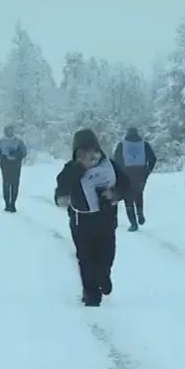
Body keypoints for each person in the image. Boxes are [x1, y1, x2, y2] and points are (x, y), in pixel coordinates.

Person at [54, 128, 130, 306]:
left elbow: (126, 185)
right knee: (85, 259)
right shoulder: (70, 169)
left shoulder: (110, 166)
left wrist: (114, 194)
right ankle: (91, 295)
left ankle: (104, 276)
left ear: (97, 149)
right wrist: (79, 169)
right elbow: (61, 190)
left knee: (106, 255)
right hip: (81, 222)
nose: (87, 155)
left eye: (90, 150)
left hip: (106, 220)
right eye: (81, 152)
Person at [113, 126, 157, 231]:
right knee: (138, 194)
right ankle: (140, 213)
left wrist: (119, 174)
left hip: (126, 174)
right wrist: (147, 171)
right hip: (140, 173)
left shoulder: (121, 145)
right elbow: (153, 159)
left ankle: (133, 224)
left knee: (128, 199)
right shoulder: (144, 145)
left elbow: (116, 161)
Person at [0, 124, 27, 212]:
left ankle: (13, 203)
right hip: (5, 164)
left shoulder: (19, 141)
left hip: (16, 165)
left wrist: (17, 155)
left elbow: (24, 152)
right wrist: (3, 156)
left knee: (15, 184)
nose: (10, 132)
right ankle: (7, 204)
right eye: (8, 130)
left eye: (11, 130)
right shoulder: (1, 141)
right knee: (6, 184)